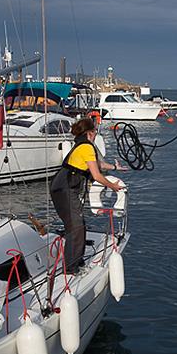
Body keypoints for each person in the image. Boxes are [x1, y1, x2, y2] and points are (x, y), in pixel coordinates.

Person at [50, 117, 122, 274]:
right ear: (90, 133)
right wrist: (113, 186)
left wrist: (115, 167)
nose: (96, 134)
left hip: (62, 188)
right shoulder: (86, 147)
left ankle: (76, 260)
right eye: (95, 131)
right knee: (76, 227)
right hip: (64, 190)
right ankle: (71, 268)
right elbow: (96, 175)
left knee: (77, 224)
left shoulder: (82, 145)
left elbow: (99, 165)